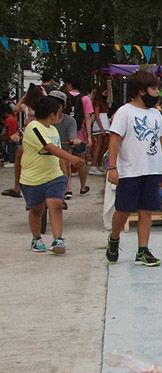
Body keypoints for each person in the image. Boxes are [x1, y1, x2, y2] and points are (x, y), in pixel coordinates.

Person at [105, 69, 162, 267]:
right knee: (123, 209)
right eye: (153, 88)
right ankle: (114, 239)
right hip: (130, 171)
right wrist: (113, 168)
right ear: (141, 91)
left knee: (146, 210)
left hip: (152, 170)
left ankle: (143, 250)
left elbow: (161, 142)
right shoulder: (125, 112)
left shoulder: (156, 114)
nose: (157, 92)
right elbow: (114, 141)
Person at [22, 96, 84, 254]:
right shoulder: (33, 126)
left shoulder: (53, 130)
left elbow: (57, 154)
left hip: (54, 175)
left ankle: (58, 239)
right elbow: (49, 147)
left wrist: (64, 172)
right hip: (32, 177)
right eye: (58, 113)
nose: (59, 116)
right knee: (36, 209)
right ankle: (36, 239)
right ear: (51, 114)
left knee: (55, 204)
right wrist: (72, 158)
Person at [46, 90, 84, 200]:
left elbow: (72, 138)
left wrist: (75, 141)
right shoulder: (41, 120)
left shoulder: (70, 121)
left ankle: (67, 188)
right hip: (44, 151)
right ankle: (18, 187)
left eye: (58, 104)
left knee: (66, 158)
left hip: (63, 151)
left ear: (63, 106)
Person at [88, 88, 110, 174]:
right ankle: (93, 165)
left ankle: (98, 164)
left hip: (104, 124)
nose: (106, 93)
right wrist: (101, 128)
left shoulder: (103, 102)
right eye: (105, 91)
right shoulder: (97, 102)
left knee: (103, 146)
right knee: (98, 145)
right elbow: (97, 116)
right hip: (100, 125)